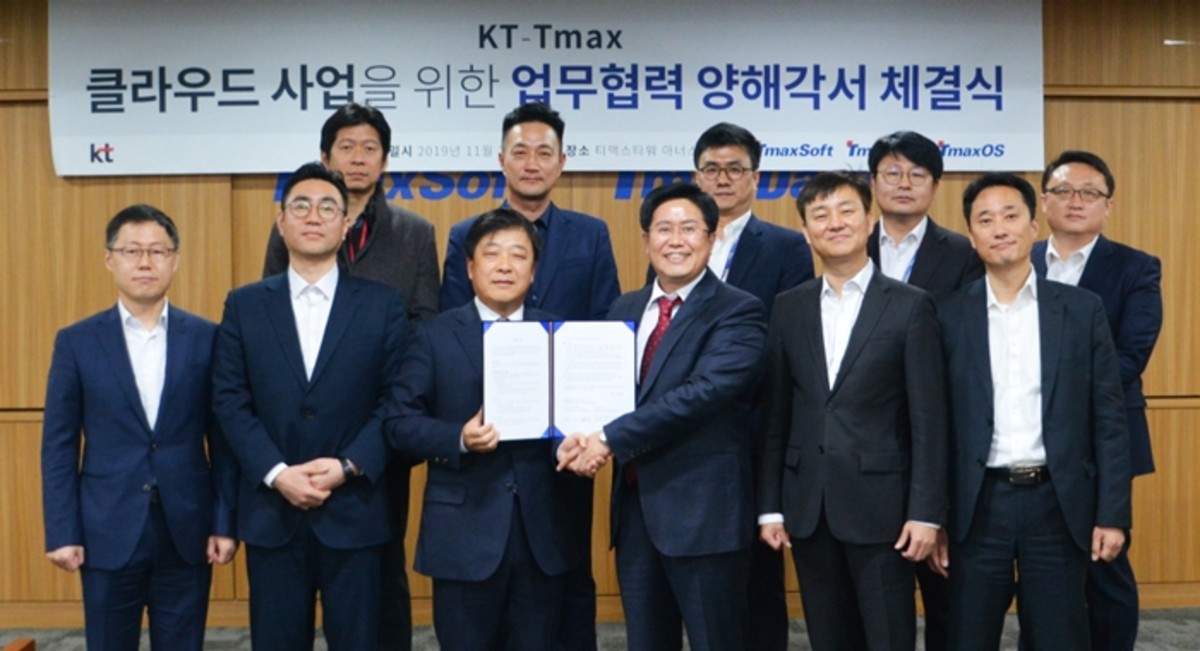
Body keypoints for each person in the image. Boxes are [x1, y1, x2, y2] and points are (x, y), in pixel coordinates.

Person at [441, 101, 621, 650]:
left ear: (562, 162)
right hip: (487, 440)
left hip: (563, 446)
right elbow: (453, 332)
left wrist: (591, 429)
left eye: (545, 153)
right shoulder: (467, 234)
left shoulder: (590, 234)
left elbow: (605, 326)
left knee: (564, 580)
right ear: (501, 160)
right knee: (485, 591)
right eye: (520, 152)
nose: (532, 163)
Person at [559, 182, 766, 651]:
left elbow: (701, 394)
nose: (676, 241)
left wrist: (606, 439)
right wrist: (580, 434)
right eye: (664, 229)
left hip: (704, 514)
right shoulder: (625, 308)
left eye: (689, 229)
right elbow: (604, 395)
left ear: (711, 237)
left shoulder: (739, 310)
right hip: (636, 514)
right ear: (646, 239)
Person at [262, 103, 436, 651]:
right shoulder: (295, 225)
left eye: (370, 148)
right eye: (346, 147)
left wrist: (382, 425)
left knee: (379, 574)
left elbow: (423, 325)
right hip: (297, 436)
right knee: (290, 584)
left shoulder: (415, 233)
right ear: (325, 155)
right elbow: (276, 322)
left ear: (385, 160)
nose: (358, 158)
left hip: (378, 433)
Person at [214, 162, 408, 650]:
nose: (314, 216)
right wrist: (277, 472)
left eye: (327, 207)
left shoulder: (383, 305)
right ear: (281, 223)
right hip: (272, 511)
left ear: (346, 225)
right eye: (300, 206)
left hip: (356, 508)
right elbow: (229, 400)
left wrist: (348, 465)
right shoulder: (244, 305)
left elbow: (397, 400)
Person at [936, 172, 1130, 650]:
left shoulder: (1082, 310)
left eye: (1011, 216)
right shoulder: (944, 315)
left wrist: (1112, 514)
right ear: (971, 235)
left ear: (1033, 226)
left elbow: (1108, 419)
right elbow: (931, 425)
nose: (1000, 228)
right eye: (985, 220)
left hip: (1057, 503)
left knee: (1059, 636)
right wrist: (932, 514)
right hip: (976, 505)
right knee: (967, 636)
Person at [758, 171, 948, 651]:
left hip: (884, 510)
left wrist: (926, 513)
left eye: (846, 211)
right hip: (808, 506)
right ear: (806, 232)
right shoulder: (788, 307)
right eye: (820, 215)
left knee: (888, 637)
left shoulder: (910, 306)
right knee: (828, 638)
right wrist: (770, 506)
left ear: (868, 221)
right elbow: (777, 415)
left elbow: (929, 421)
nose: (835, 223)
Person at [41, 204, 237, 650]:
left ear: (175, 259)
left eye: (157, 251)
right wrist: (63, 531)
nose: (145, 262)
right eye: (132, 251)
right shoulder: (76, 342)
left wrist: (225, 522)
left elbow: (224, 441)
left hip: (187, 527)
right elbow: (58, 445)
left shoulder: (208, 338)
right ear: (109, 259)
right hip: (105, 529)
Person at [647, 122, 812, 651]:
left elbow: (785, 345)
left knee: (756, 588)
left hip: (751, 434)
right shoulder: (671, 249)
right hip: (671, 444)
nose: (723, 178)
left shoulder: (785, 246)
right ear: (697, 175)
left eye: (735, 169)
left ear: (755, 178)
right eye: (712, 168)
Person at [387, 209, 578, 650]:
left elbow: (575, 418)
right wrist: (458, 438)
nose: (505, 266)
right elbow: (399, 424)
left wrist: (578, 444)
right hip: (462, 536)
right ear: (470, 268)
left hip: (542, 536)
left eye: (518, 255)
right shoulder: (432, 335)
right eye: (492, 254)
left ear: (534, 271)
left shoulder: (560, 333)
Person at [1031, 151, 1162, 651]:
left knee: (1102, 559)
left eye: (1089, 193)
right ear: (1044, 201)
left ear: (1107, 206)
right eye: (1063, 191)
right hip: (1025, 437)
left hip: (1100, 436)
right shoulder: (1018, 260)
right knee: (1042, 563)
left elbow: (1130, 356)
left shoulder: (1135, 267)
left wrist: (1059, 398)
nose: (1076, 201)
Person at [865, 130, 982, 649]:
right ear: (873, 183)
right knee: (874, 605)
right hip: (867, 444)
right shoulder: (849, 243)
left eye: (917, 174)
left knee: (947, 600)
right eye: (892, 173)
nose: (904, 183)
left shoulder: (962, 254)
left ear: (935, 186)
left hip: (939, 435)